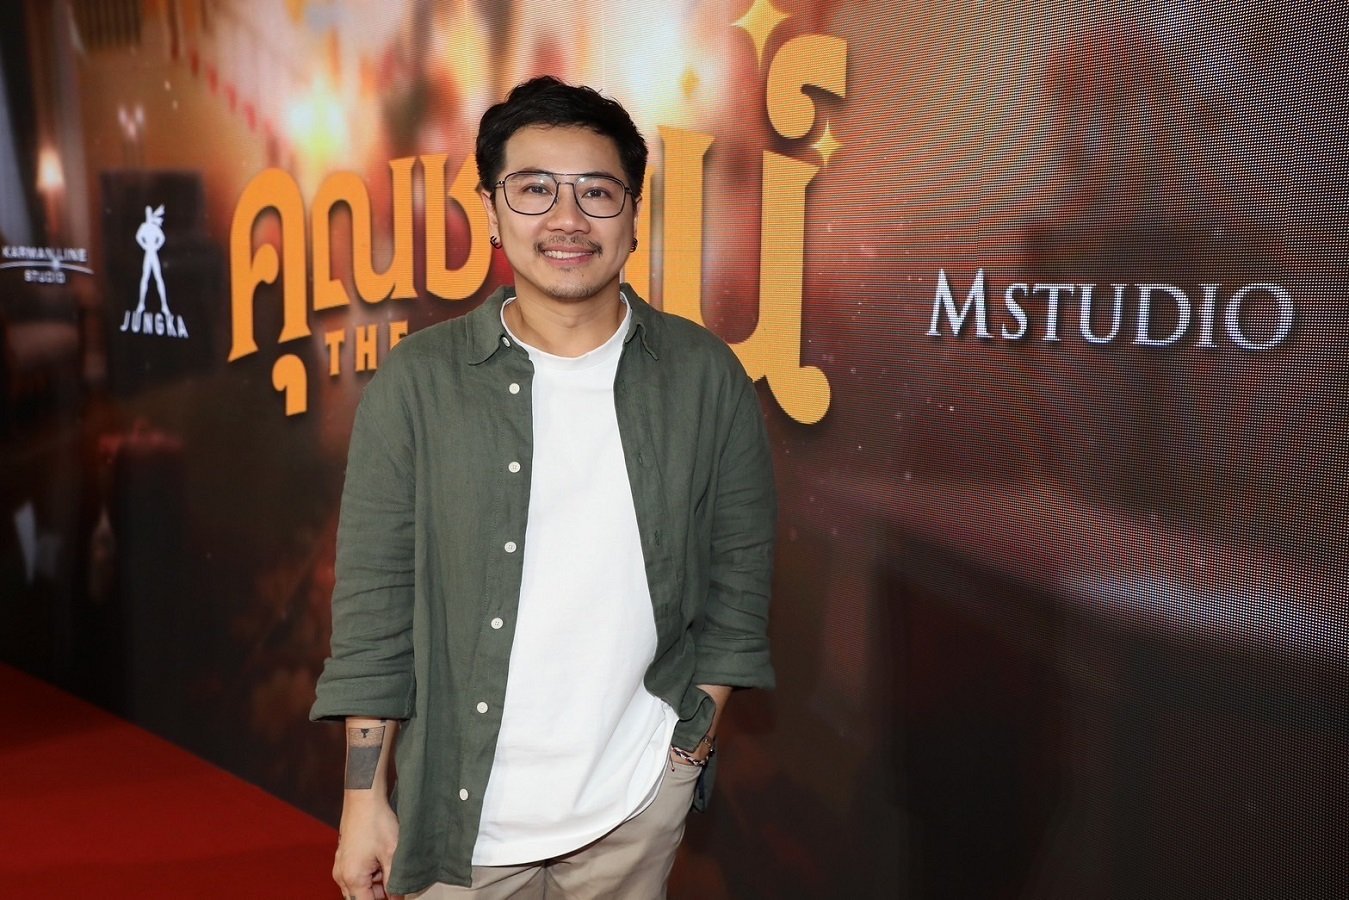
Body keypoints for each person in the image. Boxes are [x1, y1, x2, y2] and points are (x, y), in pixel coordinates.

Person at [311, 75, 776, 899]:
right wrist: (362, 799)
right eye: (533, 190)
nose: (567, 219)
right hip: (457, 821)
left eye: (597, 191)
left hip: (635, 807)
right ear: (492, 211)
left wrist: (686, 754)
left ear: (633, 214)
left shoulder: (704, 376)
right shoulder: (420, 382)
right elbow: (374, 607)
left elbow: (738, 583)